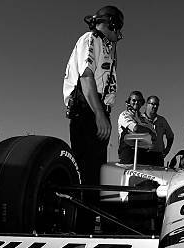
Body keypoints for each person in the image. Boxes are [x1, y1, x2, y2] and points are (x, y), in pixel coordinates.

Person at [63, 5, 124, 232]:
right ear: (112, 23)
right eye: (118, 27)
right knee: (86, 177)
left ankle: (87, 230)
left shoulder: (105, 46)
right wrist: (99, 114)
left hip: (97, 110)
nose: (119, 33)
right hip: (88, 109)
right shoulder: (90, 39)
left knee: (95, 178)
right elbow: (86, 78)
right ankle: (79, 231)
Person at [117, 90, 157, 164]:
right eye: (134, 100)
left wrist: (149, 132)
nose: (136, 102)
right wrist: (148, 131)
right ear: (129, 101)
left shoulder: (144, 118)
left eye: (139, 101)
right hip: (128, 152)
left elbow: (154, 135)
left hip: (143, 153)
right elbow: (135, 128)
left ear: (142, 103)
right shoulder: (124, 115)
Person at [144, 95, 174, 166]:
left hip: (158, 156)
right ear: (146, 104)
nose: (155, 107)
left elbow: (170, 136)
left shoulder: (162, 120)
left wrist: (167, 149)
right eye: (153, 104)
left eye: (157, 105)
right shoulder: (140, 119)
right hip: (143, 154)